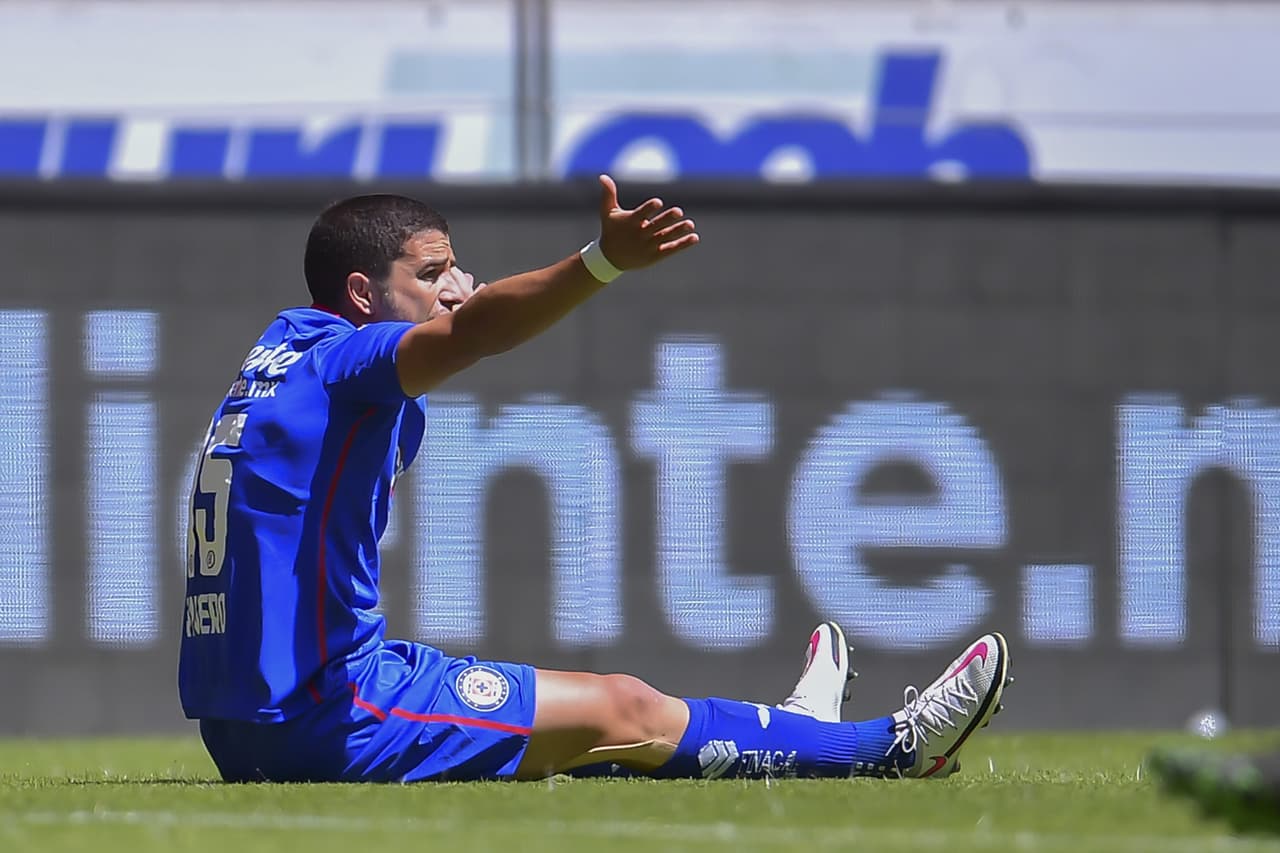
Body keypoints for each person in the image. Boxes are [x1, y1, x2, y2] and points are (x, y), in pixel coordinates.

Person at [178, 175, 1012, 783]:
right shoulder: (349, 363)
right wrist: (600, 263)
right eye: (432, 274)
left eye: (457, 269)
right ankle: (895, 748)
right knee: (625, 706)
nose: (457, 288)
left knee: (591, 735)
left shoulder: (280, 353)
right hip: (325, 716)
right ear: (361, 294)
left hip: (244, 724)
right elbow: (476, 332)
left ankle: (789, 738)